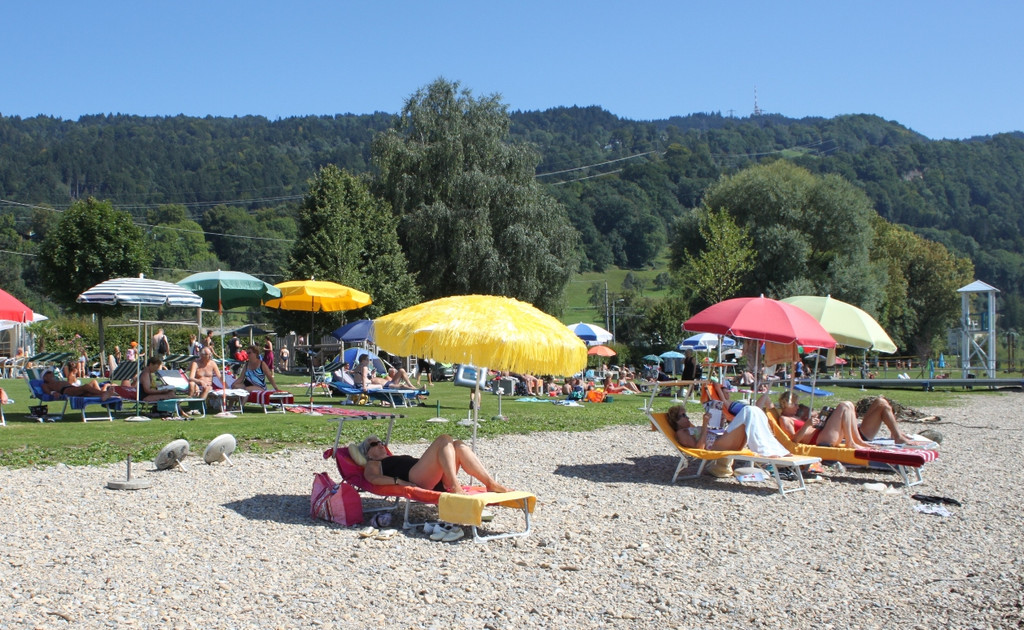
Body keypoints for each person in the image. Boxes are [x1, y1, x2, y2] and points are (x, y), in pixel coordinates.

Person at [357, 434, 510, 495]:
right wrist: (398, 481)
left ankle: (490, 483)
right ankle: (455, 486)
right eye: (374, 444)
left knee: (458, 445)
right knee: (444, 439)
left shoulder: (392, 457)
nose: (381, 445)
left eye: (381, 442)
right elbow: (372, 478)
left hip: (434, 478)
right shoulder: (373, 463)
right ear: (367, 453)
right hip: (417, 479)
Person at [665, 401, 790, 457]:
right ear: (676, 420)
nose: (687, 417)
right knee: (748, 410)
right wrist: (704, 424)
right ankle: (765, 452)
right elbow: (699, 449)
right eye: (683, 415)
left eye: (686, 414)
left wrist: (720, 423)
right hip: (717, 445)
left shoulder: (691, 428)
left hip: (723, 439)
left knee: (755, 410)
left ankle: (776, 450)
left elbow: (709, 433)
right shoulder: (681, 433)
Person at [41, 370, 115, 401]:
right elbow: (47, 391)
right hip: (66, 390)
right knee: (86, 386)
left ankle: (106, 396)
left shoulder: (56, 381)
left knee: (88, 394)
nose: (52, 374)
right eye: (49, 373)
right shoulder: (46, 384)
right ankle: (104, 393)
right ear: (45, 377)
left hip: (72, 389)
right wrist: (53, 393)